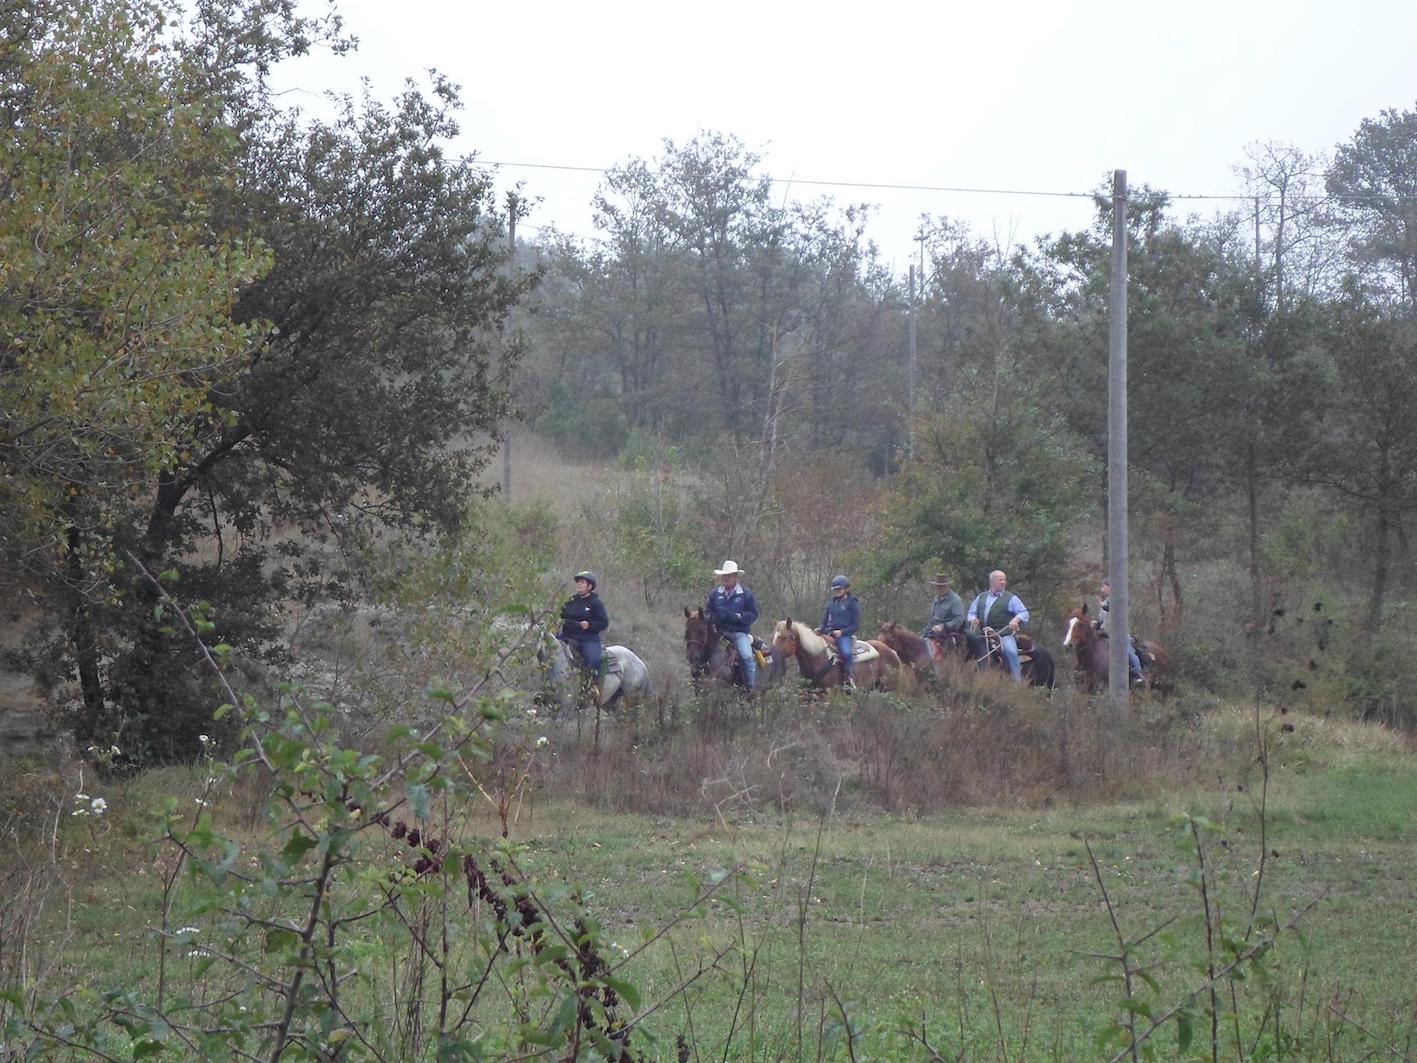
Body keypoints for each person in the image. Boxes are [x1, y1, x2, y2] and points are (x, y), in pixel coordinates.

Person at [705, 560, 760, 693]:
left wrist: (738, 617)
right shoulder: (714, 594)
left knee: (747, 656)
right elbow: (707, 612)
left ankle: (750, 688)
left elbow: (753, 614)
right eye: (725, 575)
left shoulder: (746, 595)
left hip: (739, 633)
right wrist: (714, 618)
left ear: (736, 577)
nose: (727, 578)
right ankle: (699, 682)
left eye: (730, 575)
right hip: (719, 632)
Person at [966, 569, 1030, 681]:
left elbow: (1024, 612)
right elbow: (971, 613)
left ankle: (1017, 682)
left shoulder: (1011, 598)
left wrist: (1016, 620)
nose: (1003, 582)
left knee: (1011, 651)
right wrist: (973, 619)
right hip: (982, 634)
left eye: (1004, 580)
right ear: (992, 582)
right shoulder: (981, 597)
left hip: (1003, 634)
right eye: (1000, 580)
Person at [558, 571, 608, 691]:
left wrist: (589, 625)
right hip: (567, 636)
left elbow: (604, 623)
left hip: (587, 639)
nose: (578, 585)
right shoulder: (570, 601)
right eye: (578, 582)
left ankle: (591, 689)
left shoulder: (596, 603)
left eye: (582, 582)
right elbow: (560, 615)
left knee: (593, 660)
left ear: (589, 587)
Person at [1097, 579, 1145, 685]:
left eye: (1104, 587)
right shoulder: (1104, 602)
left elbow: (1117, 610)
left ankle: (1138, 674)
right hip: (1105, 634)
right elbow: (1101, 620)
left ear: (1110, 587)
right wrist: (1095, 624)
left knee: (1128, 651)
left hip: (1119, 634)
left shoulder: (1119, 599)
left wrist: (1103, 607)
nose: (1102, 589)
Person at [817, 574, 860, 689]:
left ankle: (849, 677)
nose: (837, 591)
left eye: (839, 589)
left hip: (844, 636)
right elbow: (824, 621)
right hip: (829, 634)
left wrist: (842, 632)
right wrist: (820, 629)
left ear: (846, 589)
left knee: (846, 653)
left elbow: (856, 625)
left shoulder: (852, 603)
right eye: (835, 589)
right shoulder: (831, 604)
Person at [920, 573, 965, 642]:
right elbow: (932, 621)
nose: (941, 589)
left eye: (943, 586)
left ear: (948, 586)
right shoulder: (936, 600)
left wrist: (943, 627)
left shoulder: (956, 600)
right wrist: (923, 635)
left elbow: (959, 620)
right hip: (933, 635)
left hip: (948, 636)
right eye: (938, 587)